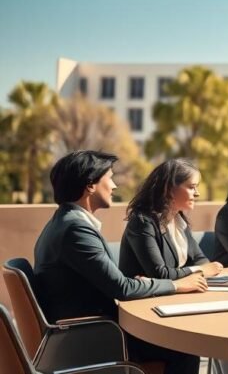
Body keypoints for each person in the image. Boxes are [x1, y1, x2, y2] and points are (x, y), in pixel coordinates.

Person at [33, 151, 207, 374]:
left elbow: (118, 284)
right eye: (110, 178)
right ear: (90, 185)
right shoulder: (76, 230)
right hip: (93, 338)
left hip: (88, 331)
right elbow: (122, 288)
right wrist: (177, 285)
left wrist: (137, 284)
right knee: (184, 348)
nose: (114, 186)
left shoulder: (65, 222)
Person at [120, 159, 224, 280]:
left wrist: (203, 268)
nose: (197, 194)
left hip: (173, 292)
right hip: (145, 297)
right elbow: (160, 274)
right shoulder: (142, 222)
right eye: (191, 187)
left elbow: (199, 259)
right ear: (169, 189)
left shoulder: (179, 220)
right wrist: (200, 270)